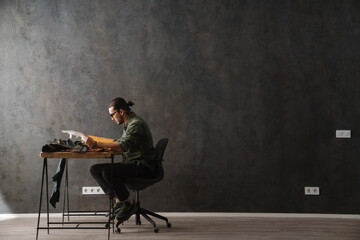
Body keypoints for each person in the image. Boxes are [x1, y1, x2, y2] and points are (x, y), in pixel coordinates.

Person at [84, 97, 157, 222]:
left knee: (108, 172)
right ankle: (119, 200)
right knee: (95, 169)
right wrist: (99, 148)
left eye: (112, 115)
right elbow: (123, 147)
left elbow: (122, 146)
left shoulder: (136, 124)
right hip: (133, 163)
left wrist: (96, 143)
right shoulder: (129, 123)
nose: (112, 118)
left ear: (121, 112)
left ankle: (128, 203)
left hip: (144, 167)